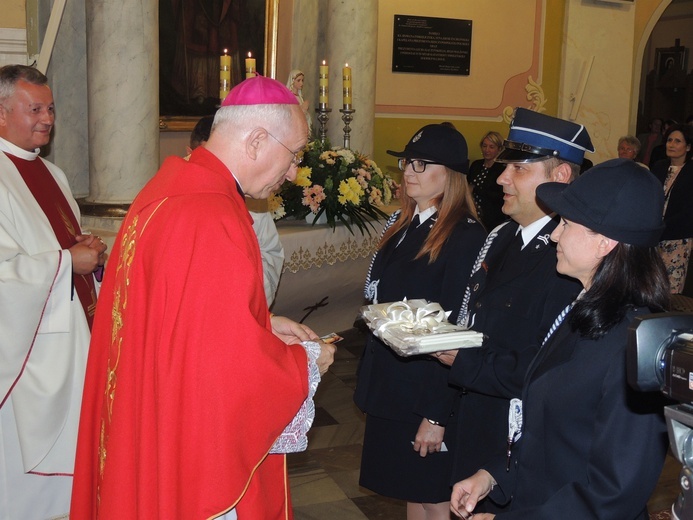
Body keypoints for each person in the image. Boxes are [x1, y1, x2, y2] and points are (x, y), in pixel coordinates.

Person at [70, 76, 335, 519]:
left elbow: (176, 317)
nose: (293, 172)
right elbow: (222, 370)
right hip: (191, 447)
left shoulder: (169, 191)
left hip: (147, 416)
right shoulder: (210, 215)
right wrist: (305, 363)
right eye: (294, 155)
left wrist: (263, 322)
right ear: (255, 141)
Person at [450, 158, 670, 520]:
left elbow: (614, 493)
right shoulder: (582, 309)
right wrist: (493, 476)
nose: (553, 234)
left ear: (604, 243)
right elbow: (548, 433)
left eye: (566, 223)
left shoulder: (634, 345)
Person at [436, 108, 590, 514]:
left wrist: (464, 361)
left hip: (517, 444)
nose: (502, 178)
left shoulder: (570, 260)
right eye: (506, 167)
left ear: (561, 178)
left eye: (519, 169)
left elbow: (550, 370)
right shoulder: (502, 235)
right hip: (475, 424)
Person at [354, 124, 487, 520]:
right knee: (412, 492)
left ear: (451, 174)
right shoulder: (405, 224)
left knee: (437, 499)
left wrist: (436, 415)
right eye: (406, 162)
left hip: (424, 393)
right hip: (395, 386)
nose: (407, 171)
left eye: (421, 163)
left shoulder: (463, 235)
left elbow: (456, 332)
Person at [0, 64, 107, 519]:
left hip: (71, 344)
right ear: (2, 111)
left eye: (51, 109)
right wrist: (67, 263)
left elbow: (56, 241)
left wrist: (85, 249)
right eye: (35, 109)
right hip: (29, 358)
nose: (47, 119)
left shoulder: (54, 174)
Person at [187, 114, 285, 304]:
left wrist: (254, 304)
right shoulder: (183, 194)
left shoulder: (251, 193)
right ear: (190, 152)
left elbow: (270, 249)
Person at [651, 123, 693, 294]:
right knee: (652, 285)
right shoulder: (659, 167)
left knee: (671, 290)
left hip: (678, 237)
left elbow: (689, 210)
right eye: (669, 140)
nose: (672, 144)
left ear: (688, 147)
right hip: (654, 236)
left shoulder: (691, 171)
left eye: (677, 141)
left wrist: (664, 227)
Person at [468, 131, 506, 230]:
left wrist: (475, 189)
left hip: (492, 217)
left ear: (499, 149)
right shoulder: (476, 165)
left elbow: (500, 196)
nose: (487, 150)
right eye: (484, 146)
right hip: (472, 214)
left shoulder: (502, 169)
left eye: (491, 147)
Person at [286, 69, 312, 133]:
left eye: (302, 80)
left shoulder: (300, 97)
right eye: (298, 80)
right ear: (292, 81)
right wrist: (303, 109)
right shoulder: (289, 97)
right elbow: (291, 115)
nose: (301, 83)